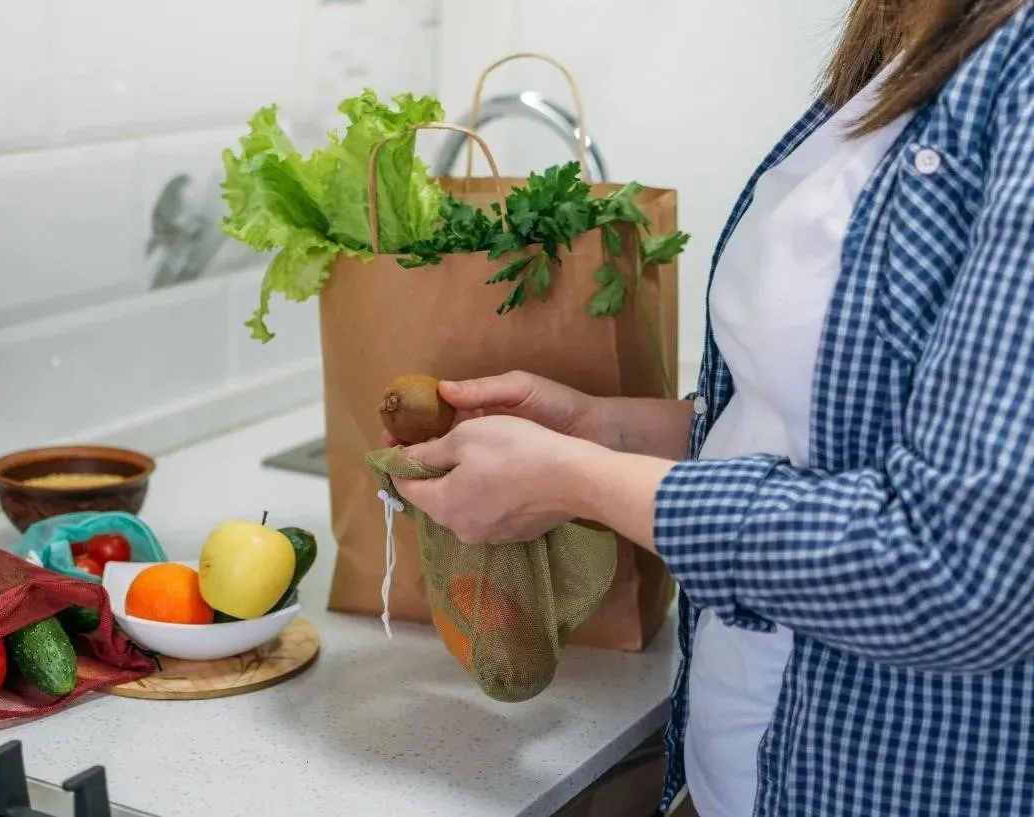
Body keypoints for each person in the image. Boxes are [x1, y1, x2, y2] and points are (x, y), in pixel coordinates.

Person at [388, 1, 1034, 815]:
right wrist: (606, 429)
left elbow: (967, 563)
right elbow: (821, 430)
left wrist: (577, 480)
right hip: (742, 775)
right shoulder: (900, 38)